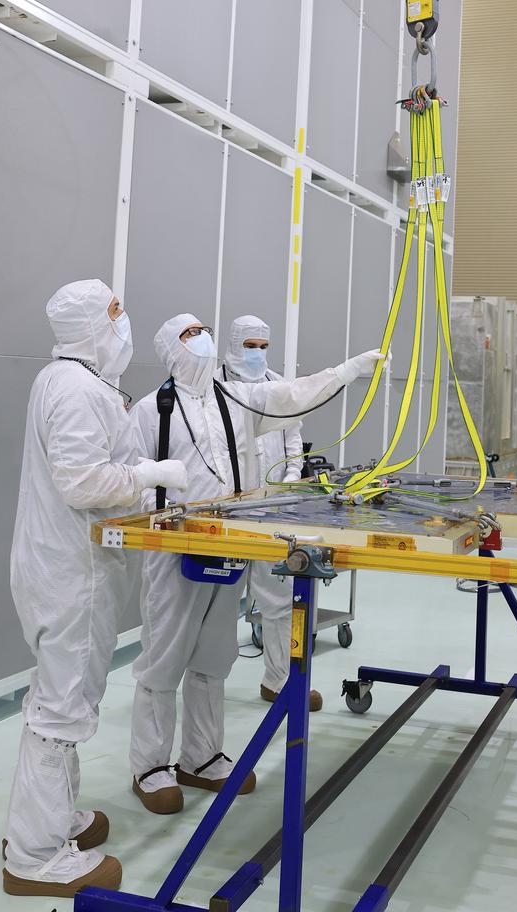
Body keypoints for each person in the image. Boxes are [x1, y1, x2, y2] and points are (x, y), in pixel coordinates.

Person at [129, 312, 383, 813]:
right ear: (168, 347)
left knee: (214, 655)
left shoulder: (237, 401)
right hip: (173, 552)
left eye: (202, 330)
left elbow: (295, 396)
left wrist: (348, 370)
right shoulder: (149, 411)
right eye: (188, 333)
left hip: (229, 546)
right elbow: (131, 480)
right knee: (164, 657)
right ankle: (149, 767)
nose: (199, 339)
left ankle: (200, 758)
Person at [2, 280, 188, 897]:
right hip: (72, 575)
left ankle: (53, 819)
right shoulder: (78, 388)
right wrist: (151, 474)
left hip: (64, 566)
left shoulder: (70, 382)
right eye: (116, 320)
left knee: (64, 698)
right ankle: (34, 856)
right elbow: (82, 481)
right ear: (93, 330)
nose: (124, 330)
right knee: (62, 707)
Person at [220, 314, 317, 710]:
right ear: (233, 344)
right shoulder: (215, 387)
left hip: (273, 508)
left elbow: (293, 440)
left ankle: (279, 682)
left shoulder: (280, 387)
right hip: (226, 509)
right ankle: (207, 685)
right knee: (218, 603)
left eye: (263, 346)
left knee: (279, 600)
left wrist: (293, 479)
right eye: (250, 346)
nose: (258, 353)